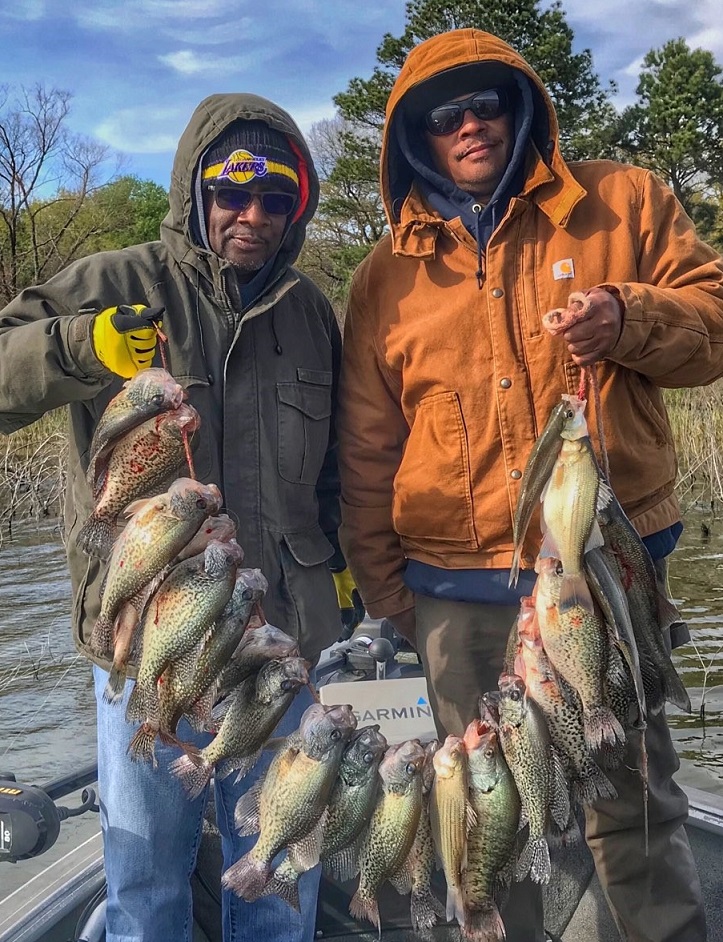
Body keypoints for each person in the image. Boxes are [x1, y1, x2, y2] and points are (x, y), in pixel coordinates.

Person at [336, 27, 722, 942]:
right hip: (453, 594)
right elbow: (364, 450)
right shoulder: (380, 277)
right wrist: (389, 595)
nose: (468, 125)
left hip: (604, 582)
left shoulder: (621, 201)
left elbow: (712, 327)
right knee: (488, 817)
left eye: (487, 104)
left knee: (630, 806)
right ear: (411, 138)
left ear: (520, 111)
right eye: (442, 115)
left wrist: (625, 316)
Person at [0, 94, 362, 942]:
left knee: (276, 880)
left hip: (277, 646)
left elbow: (338, 471)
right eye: (234, 194)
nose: (254, 216)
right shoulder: (116, 280)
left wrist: (345, 581)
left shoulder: (311, 311)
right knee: (147, 885)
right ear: (195, 193)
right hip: (151, 643)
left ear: (298, 209)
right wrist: (80, 347)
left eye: (277, 200)